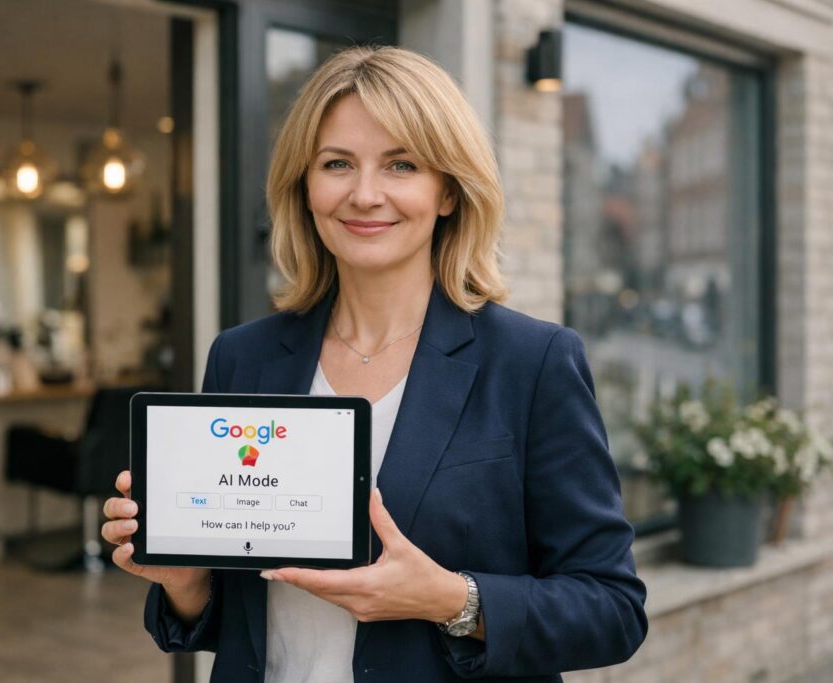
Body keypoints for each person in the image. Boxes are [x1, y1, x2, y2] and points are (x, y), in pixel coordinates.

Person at [101, 46, 647, 682]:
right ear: (305, 188)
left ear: (447, 191)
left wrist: (450, 599)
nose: (364, 194)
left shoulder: (532, 363)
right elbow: (245, 621)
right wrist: (185, 581)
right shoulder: (242, 357)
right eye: (337, 164)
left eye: (401, 164)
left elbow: (612, 609)